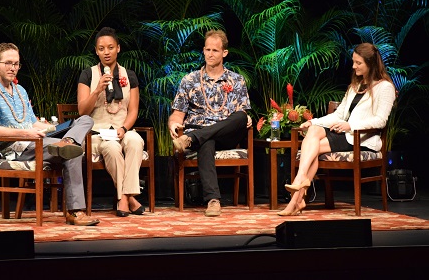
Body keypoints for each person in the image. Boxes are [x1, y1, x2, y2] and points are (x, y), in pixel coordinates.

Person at [0, 43, 99, 226]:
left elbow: (33, 122)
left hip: (38, 140)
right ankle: (75, 212)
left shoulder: (20, 91)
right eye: (8, 63)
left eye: (16, 64)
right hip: (17, 147)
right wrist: (25, 132)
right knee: (74, 151)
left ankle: (67, 140)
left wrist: (54, 127)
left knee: (85, 120)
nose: (13, 68)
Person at [278, 42, 396, 216]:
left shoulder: (385, 87)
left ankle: (297, 195)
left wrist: (351, 126)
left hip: (360, 138)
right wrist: (313, 122)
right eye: (354, 62)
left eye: (358, 63)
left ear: (370, 64)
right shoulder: (355, 86)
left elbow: (380, 121)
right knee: (313, 131)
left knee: (313, 147)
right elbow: (339, 115)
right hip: (344, 133)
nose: (354, 66)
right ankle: (299, 191)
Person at [168, 29, 252, 217]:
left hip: (227, 135)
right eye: (207, 50)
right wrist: (173, 124)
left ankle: (191, 139)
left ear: (224, 53)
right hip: (201, 132)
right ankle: (213, 200)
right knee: (207, 141)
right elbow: (177, 115)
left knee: (240, 116)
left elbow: (243, 116)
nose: (210, 54)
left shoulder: (237, 80)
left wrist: (247, 118)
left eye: (215, 50)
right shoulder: (189, 80)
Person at [77, 27, 145, 217]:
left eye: (110, 47)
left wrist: (124, 128)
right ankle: (128, 198)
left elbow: (133, 110)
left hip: (121, 130)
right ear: (96, 51)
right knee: (112, 149)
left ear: (118, 48)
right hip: (96, 134)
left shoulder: (129, 75)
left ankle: (123, 197)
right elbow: (82, 111)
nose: (106, 52)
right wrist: (98, 90)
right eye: (101, 49)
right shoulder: (88, 75)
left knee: (135, 141)